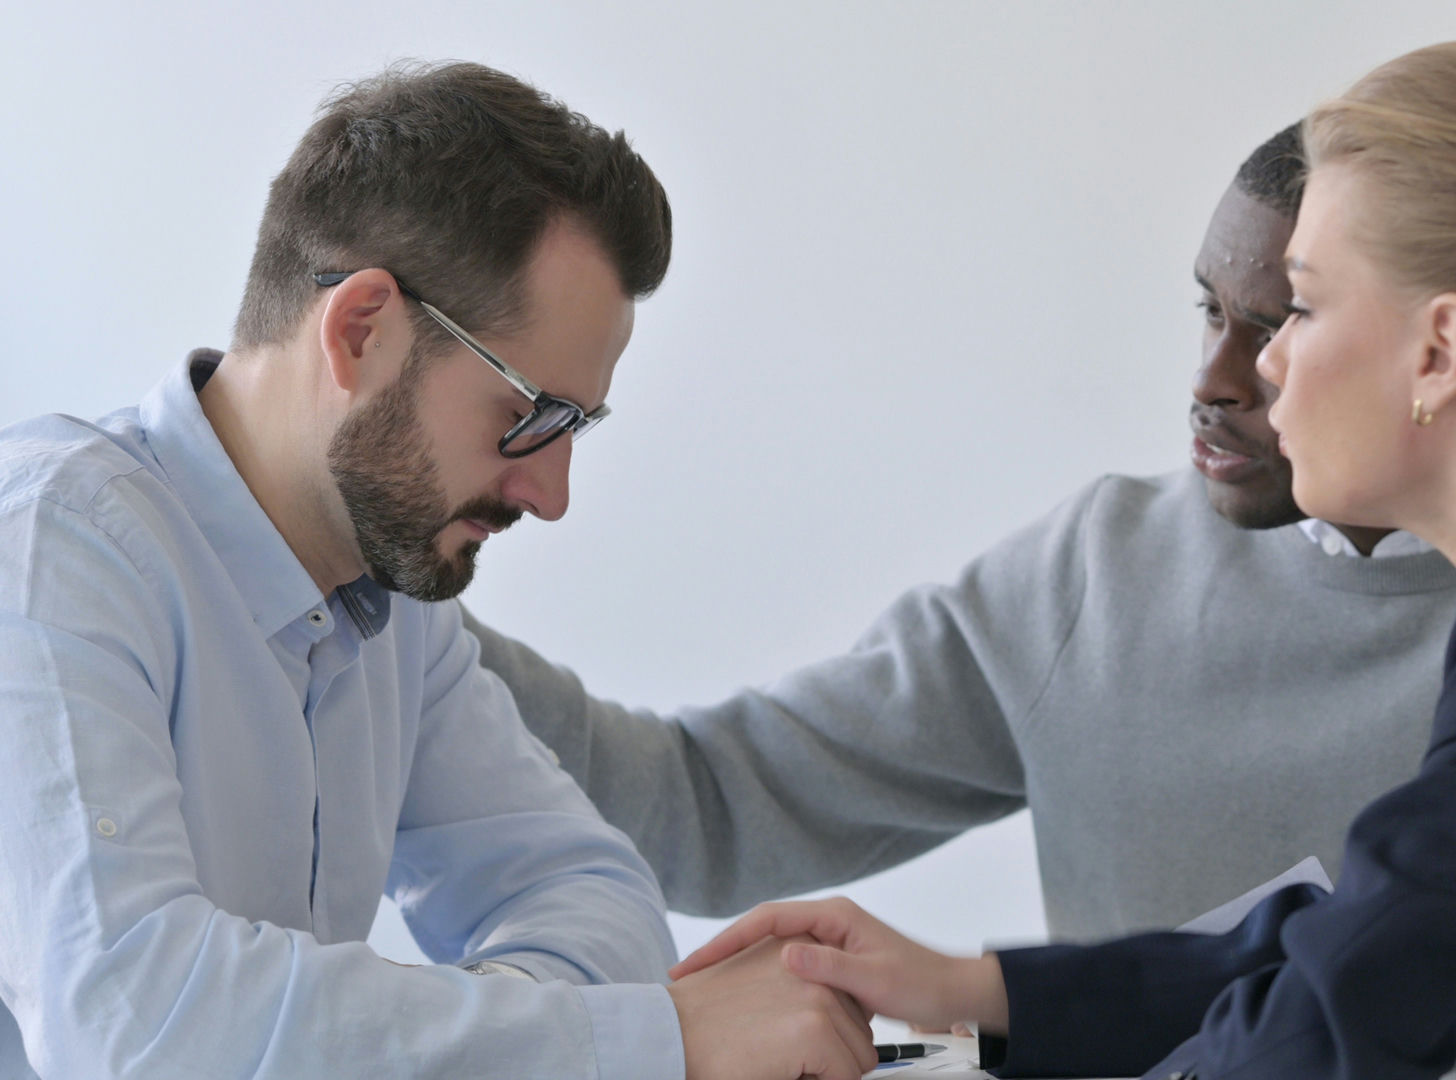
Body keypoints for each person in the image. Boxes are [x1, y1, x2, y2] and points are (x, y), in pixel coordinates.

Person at [671, 38, 1456, 1079]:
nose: (1256, 367)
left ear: (1439, 353)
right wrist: (975, 989)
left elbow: (1345, 1021)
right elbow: (1371, 936)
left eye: (1301, 309)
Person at [0, 62, 877, 1080]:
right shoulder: (54, 550)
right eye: (529, 418)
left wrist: (494, 1030)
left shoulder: (392, 604)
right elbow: (143, 1029)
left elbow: (598, 894)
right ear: (361, 330)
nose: (551, 493)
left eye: (577, 428)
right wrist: (650, 1039)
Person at [463, 123, 1456, 942]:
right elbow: (709, 806)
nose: (1212, 380)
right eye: (1210, 311)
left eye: (1280, 326)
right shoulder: (1102, 574)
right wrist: (400, 609)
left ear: (1436, 349)